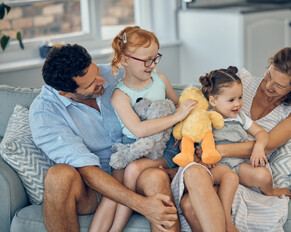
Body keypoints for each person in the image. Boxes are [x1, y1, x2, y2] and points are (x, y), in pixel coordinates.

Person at [29, 44, 180, 232]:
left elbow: (163, 99)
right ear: (66, 93)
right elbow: (87, 171)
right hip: (95, 188)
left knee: (154, 178)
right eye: (91, 84)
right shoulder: (45, 112)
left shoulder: (118, 74)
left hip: (138, 167)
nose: (102, 80)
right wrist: (142, 205)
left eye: (97, 72)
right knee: (58, 176)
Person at [171, 47, 291, 231]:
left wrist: (217, 151)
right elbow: (201, 110)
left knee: (189, 204)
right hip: (212, 166)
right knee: (188, 204)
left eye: (279, 85)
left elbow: (267, 145)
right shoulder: (242, 83)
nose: (268, 86)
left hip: (246, 170)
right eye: (268, 76)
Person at [89, 26, 197, 232]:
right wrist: (176, 115)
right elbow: (138, 130)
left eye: (156, 58)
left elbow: (176, 106)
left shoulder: (160, 79)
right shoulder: (120, 95)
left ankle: (117, 229)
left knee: (133, 170)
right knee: (112, 192)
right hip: (132, 148)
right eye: (146, 60)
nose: (152, 64)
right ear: (124, 60)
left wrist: (180, 118)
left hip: (162, 147)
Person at [197, 65, 270, 232]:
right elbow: (193, 140)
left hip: (238, 164)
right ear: (213, 100)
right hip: (216, 166)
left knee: (264, 175)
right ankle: (226, 220)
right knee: (230, 179)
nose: (238, 104)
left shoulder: (240, 117)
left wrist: (259, 146)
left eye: (240, 97)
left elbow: (262, 133)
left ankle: (271, 192)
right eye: (231, 100)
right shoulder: (204, 116)